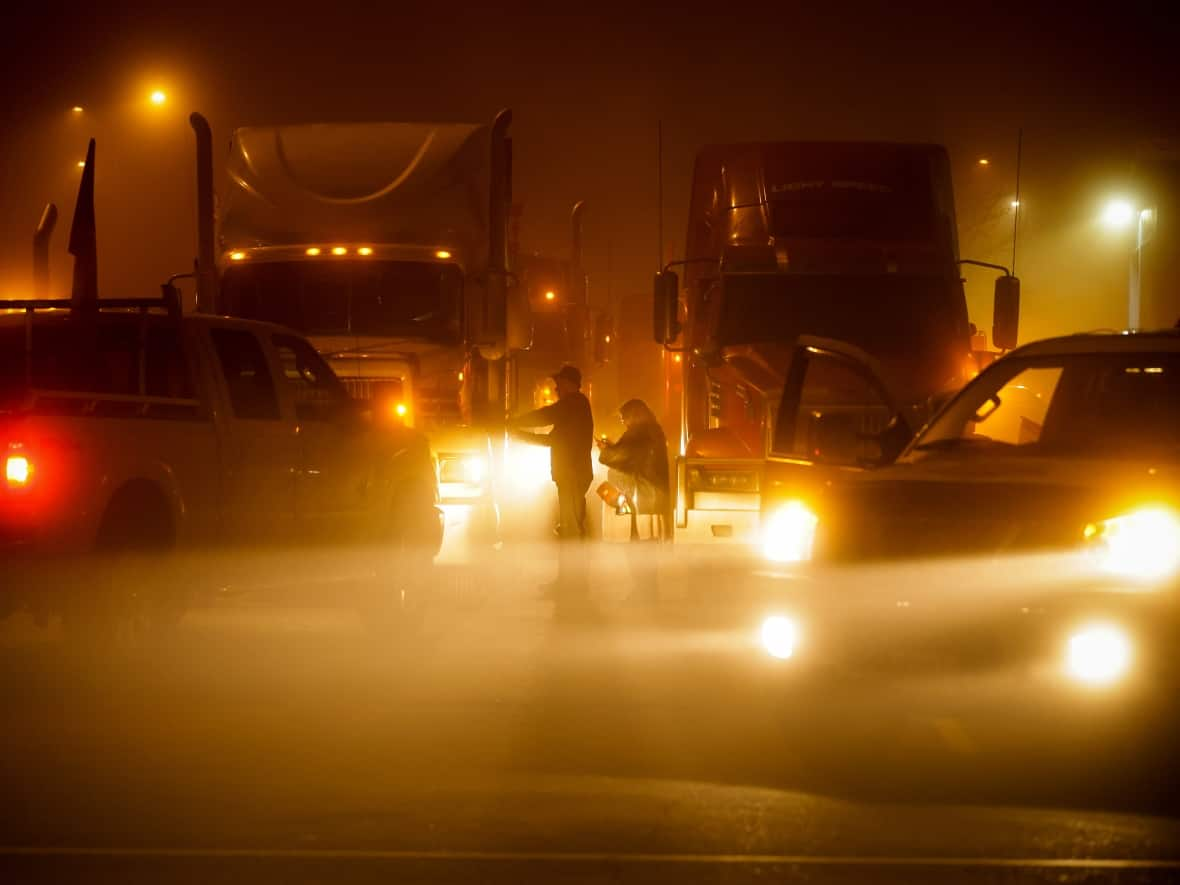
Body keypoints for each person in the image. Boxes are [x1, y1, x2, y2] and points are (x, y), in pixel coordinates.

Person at [509, 364, 594, 601]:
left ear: (569, 383)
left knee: (571, 532)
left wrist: (517, 423)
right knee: (570, 530)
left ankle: (572, 586)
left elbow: (546, 416)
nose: (556, 387)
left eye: (559, 382)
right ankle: (570, 583)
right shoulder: (575, 408)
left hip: (572, 475)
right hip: (572, 476)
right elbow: (553, 439)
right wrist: (520, 434)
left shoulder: (573, 403)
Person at [597, 399, 671, 603]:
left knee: (635, 544)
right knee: (645, 545)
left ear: (634, 415)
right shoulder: (652, 430)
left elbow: (619, 456)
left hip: (637, 496)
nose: (623, 422)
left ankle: (644, 591)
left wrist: (606, 449)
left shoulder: (638, 432)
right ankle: (647, 591)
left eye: (624, 417)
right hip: (649, 496)